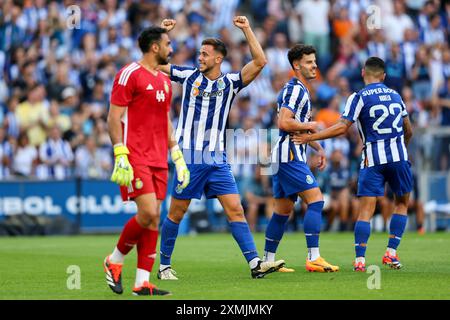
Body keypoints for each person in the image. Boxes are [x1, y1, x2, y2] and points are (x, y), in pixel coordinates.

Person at [156, 17, 285, 280]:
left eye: (205, 54)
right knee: (176, 213)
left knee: (235, 210)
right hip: (190, 157)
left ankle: (254, 264)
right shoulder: (188, 76)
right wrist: (161, 35)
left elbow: (260, 62)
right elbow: (154, 63)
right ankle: (164, 266)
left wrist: (247, 29)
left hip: (217, 159)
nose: (200, 57)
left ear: (218, 59)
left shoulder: (230, 83)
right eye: (199, 53)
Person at [292, 57, 413, 271]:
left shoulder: (358, 97)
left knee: (366, 209)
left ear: (363, 73)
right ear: (383, 76)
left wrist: (311, 138)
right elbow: (408, 129)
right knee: (401, 203)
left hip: (373, 159)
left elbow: (341, 127)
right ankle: (391, 254)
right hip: (399, 157)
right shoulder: (396, 96)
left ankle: (360, 260)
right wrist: (400, 149)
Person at [103, 26, 190, 296]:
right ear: (155, 47)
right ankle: (114, 260)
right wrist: (120, 152)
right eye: (168, 44)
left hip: (159, 158)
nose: (171, 49)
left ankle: (142, 282)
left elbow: (165, 120)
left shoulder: (164, 81)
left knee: (154, 220)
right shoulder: (129, 74)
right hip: (135, 156)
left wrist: (176, 153)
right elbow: (113, 118)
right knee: (149, 213)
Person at [263, 44, 339, 273]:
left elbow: (297, 130)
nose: (314, 65)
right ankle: (313, 257)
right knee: (316, 200)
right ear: (297, 65)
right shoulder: (296, 89)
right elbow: (284, 123)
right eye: (309, 62)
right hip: (289, 156)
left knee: (282, 211)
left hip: (285, 155)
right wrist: (311, 125)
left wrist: (318, 147)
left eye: (315, 61)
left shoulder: (299, 89)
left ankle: (267, 260)